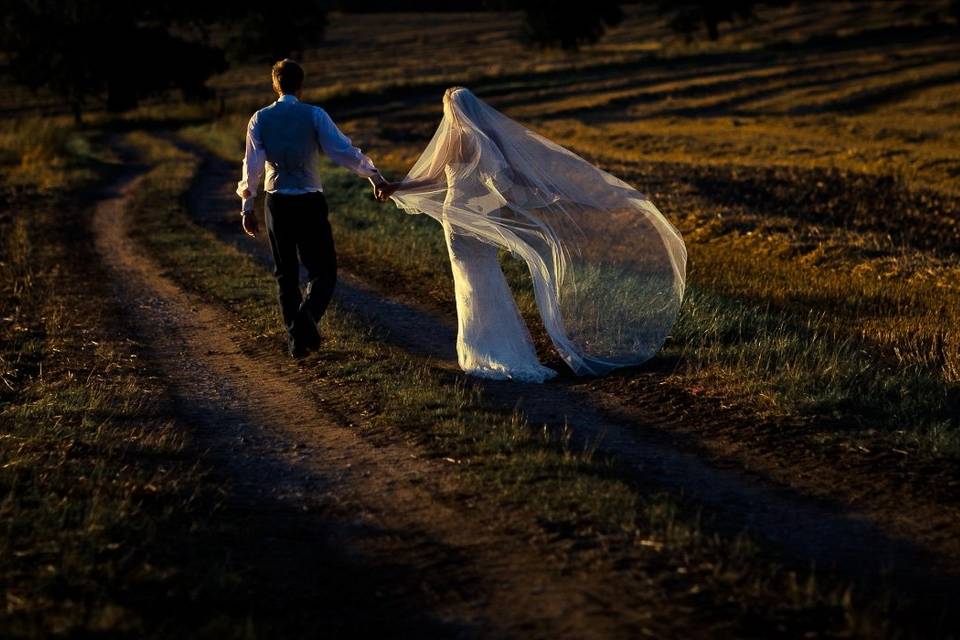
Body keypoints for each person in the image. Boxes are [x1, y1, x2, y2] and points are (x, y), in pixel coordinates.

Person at [378, 87, 687, 381]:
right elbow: (502, 181)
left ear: (452, 111)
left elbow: (432, 177)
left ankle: (481, 350)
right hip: (482, 216)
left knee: (470, 281)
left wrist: (396, 187)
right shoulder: (490, 140)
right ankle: (498, 348)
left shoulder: (457, 139)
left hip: (458, 218)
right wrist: (534, 193)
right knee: (486, 277)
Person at [237, 58, 390, 358]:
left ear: (275, 84)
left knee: (286, 273)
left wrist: (247, 206)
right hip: (309, 201)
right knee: (324, 271)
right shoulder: (314, 115)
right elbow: (344, 151)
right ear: (301, 85)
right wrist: (374, 176)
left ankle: (298, 334)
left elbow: (251, 166)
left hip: (277, 201)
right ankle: (302, 328)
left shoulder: (259, 118)